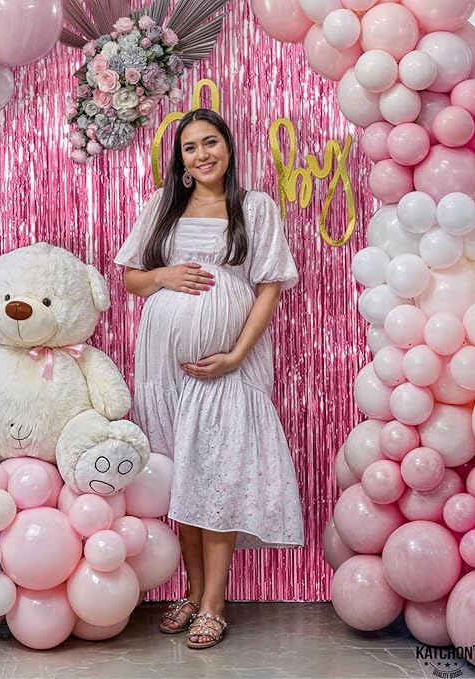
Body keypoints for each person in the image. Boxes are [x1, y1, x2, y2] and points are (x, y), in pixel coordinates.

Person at [114, 109, 304, 649]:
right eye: (190, 147)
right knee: (182, 477)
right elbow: (131, 279)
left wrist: (236, 355)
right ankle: (194, 593)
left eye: (211, 142)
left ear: (228, 147)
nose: (202, 154)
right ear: (181, 161)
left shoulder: (254, 207)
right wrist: (164, 275)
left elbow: (270, 287)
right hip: (162, 371)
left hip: (228, 368)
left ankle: (215, 605)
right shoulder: (163, 206)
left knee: (217, 475)